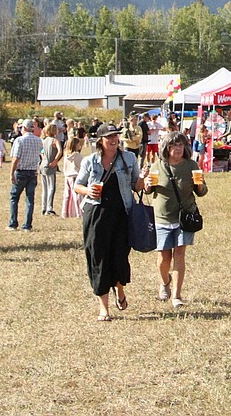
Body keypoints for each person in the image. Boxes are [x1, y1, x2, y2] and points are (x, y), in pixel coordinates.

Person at [73, 123, 148, 321]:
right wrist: (88, 191)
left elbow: (136, 187)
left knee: (119, 256)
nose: (114, 140)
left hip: (122, 214)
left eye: (115, 136)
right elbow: (77, 185)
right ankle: (104, 308)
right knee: (98, 258)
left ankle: (120, 289)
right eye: (109, 137)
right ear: (100, 140)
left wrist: (143, 179)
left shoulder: (129, 158)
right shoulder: (91, 161)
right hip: (96, 215)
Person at [147, 131, 208, 307]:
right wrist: (147, 185)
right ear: (166, 147)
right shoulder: (158, 166)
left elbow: (201, 192)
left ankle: (176, 295)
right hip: (163, 218)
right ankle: (165, 282)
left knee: (179, 255)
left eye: (181, 145)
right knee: (163, 258)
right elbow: (149, 191)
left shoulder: (191, 165)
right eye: (174, 145)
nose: (178, 148)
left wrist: (201, 184)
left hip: (185, 217)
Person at [8, 118, 43, 231]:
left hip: (21, 172)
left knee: (14, 198)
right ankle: (27, 225)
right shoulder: (38, 140)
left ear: (24, 128)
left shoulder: (19, 140)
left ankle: (13, 223)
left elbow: (15, 158)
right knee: (30, 200)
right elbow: (41, 156)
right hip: (33, 172)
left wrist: (11, 172)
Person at [39, 122, 63, 217]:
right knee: (51, 187)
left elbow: (41, 152)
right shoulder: (55, 140)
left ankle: (43, 207)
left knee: (44, 188)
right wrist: (55, 160)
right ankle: (49, 207)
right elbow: (60, 151)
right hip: (50, 165)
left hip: (42, 164)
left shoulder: (43, 140)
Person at [62, 135, 85, 218]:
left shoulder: (66, 155)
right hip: (75, 176)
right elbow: (82, 165)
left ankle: (65, 212)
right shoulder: (77, 155)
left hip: (67, 176)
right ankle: (79, 213)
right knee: (77, 196)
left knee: (67, 195)